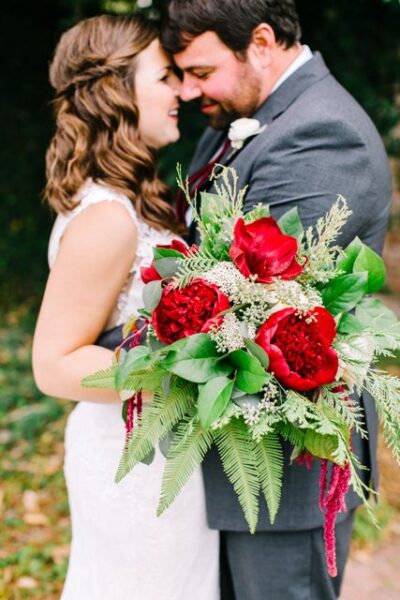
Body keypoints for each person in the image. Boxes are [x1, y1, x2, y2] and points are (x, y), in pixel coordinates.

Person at [161, 1, 392, 598]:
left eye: (201, 72)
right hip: (234, 457)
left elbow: (259, 301)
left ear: (260, 41)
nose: (188, 91)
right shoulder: (242, 114)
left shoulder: (322, 133)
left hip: (285, 465)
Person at [32, 14, 219, 600]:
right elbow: (54, 363)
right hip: (135, 462)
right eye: (164, 77)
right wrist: (185, 369)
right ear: (117, 90)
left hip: (158, 451)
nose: (181, 91)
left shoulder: (132, 201)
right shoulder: (108, 219)